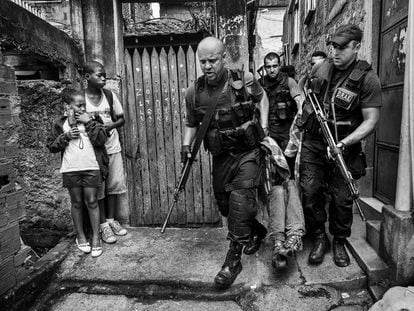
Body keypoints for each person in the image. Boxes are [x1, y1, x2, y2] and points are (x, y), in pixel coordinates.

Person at [182, 36, 269, 289]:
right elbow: (191, 123)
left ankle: (233, 260)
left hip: (247, 153)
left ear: (223, 58)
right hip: (220, 157)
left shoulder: (243, 80)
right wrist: (186, 146)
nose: (207, 66)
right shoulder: (194, 93)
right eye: (203, 62)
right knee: (226, 206)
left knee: (241, 201)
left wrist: (264, 126)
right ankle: (256, 230)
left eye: (212, 60)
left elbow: (262, 98)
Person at [299, 24, 381, 267]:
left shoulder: (367, 78)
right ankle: (319, 237)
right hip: (314, 142)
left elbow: (371, 121)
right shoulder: (320, 68)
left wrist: (344, 143)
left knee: (341, 198)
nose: (334, 52)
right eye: (332, 46)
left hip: (344, 145)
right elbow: (304, 89)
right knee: (311, 191)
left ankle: (339, 240)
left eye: (341, 47)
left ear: (356, 47)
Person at [47, 88, 108, 258]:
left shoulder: (93, 119)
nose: (82, 108)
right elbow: (51, 146)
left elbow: (102, 139)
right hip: (71, 169)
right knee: (77, 203)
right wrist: (65, 137)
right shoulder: (60, 123)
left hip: (91, 167)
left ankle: (96, 238)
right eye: (78, 105)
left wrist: (89, 122)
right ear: (67, 106)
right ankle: (80, 236)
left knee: (92, 202)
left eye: (84, 105)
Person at [259, 52, 306, 269]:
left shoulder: (289, 82)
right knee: (274, 188)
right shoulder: (259, 85)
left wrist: (297, 132)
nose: (271, 70)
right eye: (268, 66)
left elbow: (300, 104)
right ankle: (279, 238)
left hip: (289, 141)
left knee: (291, 184)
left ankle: (293, 234)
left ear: (280, 65)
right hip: (269, 142)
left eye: (275, 65)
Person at [83, 61, 128, 244]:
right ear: (87, 77)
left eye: (104, 75)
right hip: (93, 151)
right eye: (99, 75)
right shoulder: (81, 99)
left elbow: (121, 119)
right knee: (99, 189)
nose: (103, 78)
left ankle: (111, 220)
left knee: (114, 186)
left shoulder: (109, 95)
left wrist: (111, 125)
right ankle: (102, 225)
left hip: (112, 147)